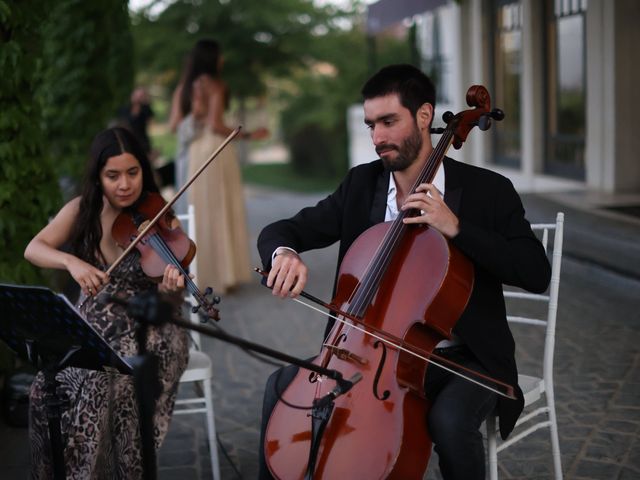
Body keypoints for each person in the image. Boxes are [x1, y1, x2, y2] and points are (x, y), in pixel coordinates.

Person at [256, 64, 551, 479]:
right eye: (371, 124)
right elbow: (284, 229)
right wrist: (283, 253)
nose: (377, 137)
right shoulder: (362, 186)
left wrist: (456, 228)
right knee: (283, 385)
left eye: (389, 121)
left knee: (449, 423)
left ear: (425, 116)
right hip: (367, 357)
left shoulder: (489, 191)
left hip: (467, 361)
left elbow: (536, 273)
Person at [24, 127, 189, 479]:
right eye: (113, 175)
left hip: (151, 326)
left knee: (107, 382)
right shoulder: (82, 209)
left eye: (133, 172)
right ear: (98, 176)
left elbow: (171, 299)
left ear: (144, 170)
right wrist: (71, 261)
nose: (125, 184)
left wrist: (170, 288)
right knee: (45, 388)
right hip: (93, 324)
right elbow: (34, 249)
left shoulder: (159, 216)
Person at [169, 38, 268, 294]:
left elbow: (174, 125)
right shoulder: (216, 85)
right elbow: (216, 125)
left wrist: (196, 114)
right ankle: (224, 276)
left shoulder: (183, 87)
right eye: (220, 55)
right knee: (220, 210)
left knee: (198, 212)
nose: (223, 59)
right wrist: (248, 135)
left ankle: (198, 275)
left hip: (193, 154)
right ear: (212, 58)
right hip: (215, 150)